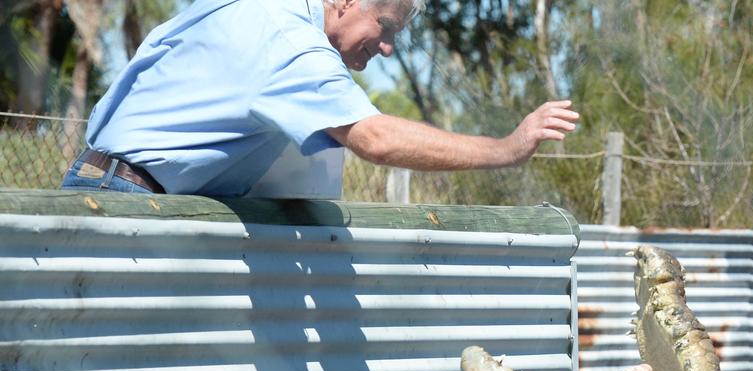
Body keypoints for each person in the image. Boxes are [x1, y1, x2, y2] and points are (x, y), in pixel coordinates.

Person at [60, 0, 578, 198]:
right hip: (125, 195)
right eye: (386, 25)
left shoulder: (261, 9)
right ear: (347, 1)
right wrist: (506, 148)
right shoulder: (289, 42)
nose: (389, 47)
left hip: (112, 179)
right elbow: (374, 139)